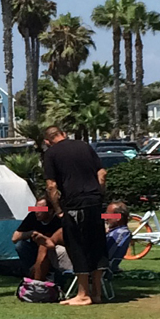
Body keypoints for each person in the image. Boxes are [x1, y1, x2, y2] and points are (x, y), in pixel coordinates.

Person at [42, 126, 108, 306]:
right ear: (63, 134)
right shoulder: (84, 146)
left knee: (77, 247)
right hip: (94, 202)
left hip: (74, 204)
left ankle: (83, 294)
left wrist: (58, 210)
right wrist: (98, 195)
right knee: (96, 245)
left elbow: (51, 186)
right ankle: (97, 293)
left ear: (47, 142)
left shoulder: (51, 154)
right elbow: (102, 174)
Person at [12, 196, 65, 280]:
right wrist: (31, 233)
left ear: (50, 211)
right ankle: (31, 272)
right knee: (20, 245)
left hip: (52, 251)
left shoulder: (59, 221)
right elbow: (14, 238)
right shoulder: (32, 217)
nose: (36, 212)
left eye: (41, 209)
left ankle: (47, 273)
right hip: (34, 250)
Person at [105, 201, 132, 272]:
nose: (105, 218)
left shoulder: (118, 233)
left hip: (95, 267)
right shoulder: (122, 232)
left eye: (108, 215)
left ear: (118, 217)